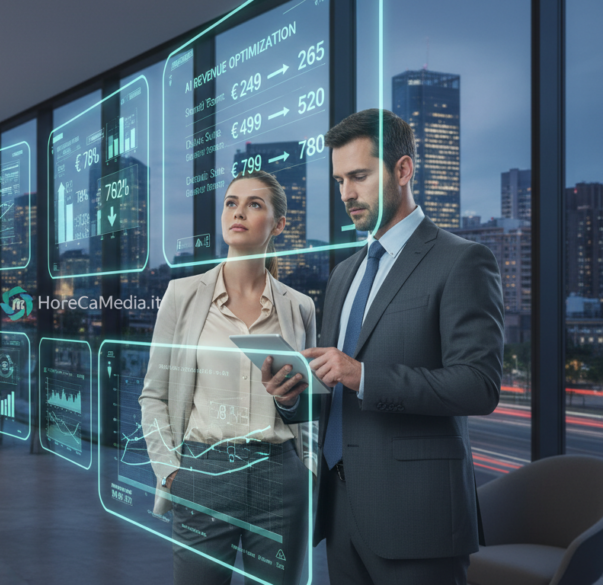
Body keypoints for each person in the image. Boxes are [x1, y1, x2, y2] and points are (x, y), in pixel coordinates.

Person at [267, 108, 504, 584]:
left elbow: (479, 385)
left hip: (417, 517)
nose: (346, 194)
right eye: (338, 181)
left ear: (403, 170)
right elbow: (335, 390)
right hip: (341, 512)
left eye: (359, 176)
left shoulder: (462, 261)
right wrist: (292, 397)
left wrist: (363, 375)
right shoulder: (343, 276)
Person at [140, 170, 316, 585]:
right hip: (204, 473)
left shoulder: (300, 307)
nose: (238, 212)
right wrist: (169, 471)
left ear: (278, 223)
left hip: (280, 480)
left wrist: (307, 469)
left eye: (255, 204)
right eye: (231, 202)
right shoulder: (182, 296)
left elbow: (309, 405)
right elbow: (154, 396)